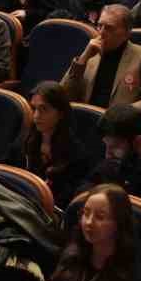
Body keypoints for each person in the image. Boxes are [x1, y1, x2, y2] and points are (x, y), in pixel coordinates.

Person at [62, 3, 141, 114]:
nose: (101, 33)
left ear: (126, 33)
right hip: (83, 117)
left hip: (117, 125)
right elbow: (63, 95)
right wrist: (82, 60)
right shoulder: (90, 53)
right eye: (99, 25)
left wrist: (121, 113)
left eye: (109, 28)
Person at [16, 81, 93, 210]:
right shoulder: (25, 139)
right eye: (34, 108)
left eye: (43, 109)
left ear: (61, 113)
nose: (36, 116)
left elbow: (69, 201)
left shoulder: (76, 154)